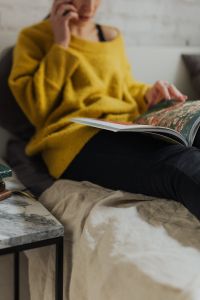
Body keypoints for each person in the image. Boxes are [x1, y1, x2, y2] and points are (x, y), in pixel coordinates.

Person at [8, 0, 200, 220]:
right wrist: (61, 43)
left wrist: (149, 93)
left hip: (126, 125)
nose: (89, 8)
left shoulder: (110, 36)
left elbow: (124, 87)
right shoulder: (34, 38)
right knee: (182, 163)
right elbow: (37, 108)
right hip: (74, 137)